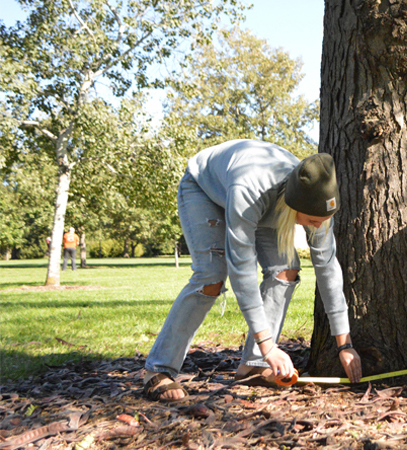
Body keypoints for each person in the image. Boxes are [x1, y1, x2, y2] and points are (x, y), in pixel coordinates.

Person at [144, 140, 362, 402]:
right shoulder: (249, 189)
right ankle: (158, 369)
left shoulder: (318, 199)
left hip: (269, 204)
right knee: (211, 277)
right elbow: (242, 271)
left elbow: (328, 268)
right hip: (204, 190)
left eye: (322, 221)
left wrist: (344, 344)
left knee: (287, 270)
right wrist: (269, 344)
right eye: (312, 222)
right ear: (294, 207)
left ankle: (254, 365)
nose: (318, 227)